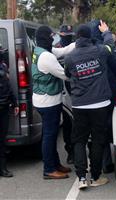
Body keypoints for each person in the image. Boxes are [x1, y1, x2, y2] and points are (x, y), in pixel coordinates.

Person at [64, 22, 114, 189]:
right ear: (90, 37)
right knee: (98, 141)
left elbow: (67, 74)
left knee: (79, 140)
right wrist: (106, 32)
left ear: (77, 38)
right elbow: (110, 45)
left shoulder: (70, 57)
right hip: (100, 103)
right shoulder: (100, 51)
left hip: (80, 105)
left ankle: (81, 178)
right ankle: (95, 176)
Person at [32, 26, 75, 179]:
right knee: (50, 137)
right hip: (48, 102)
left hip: (42, 100)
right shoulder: (46, 57)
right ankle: (49, 169)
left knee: (50, 135)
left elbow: (63, 51)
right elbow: (65, 75)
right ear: (45, 37)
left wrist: (80, 42)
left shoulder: (40, 50)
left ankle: (55, 164)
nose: (53, 38)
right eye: (51, 35)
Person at [87, 19, 116, 174]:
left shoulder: (82, 51)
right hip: (108, 94)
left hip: (89, 97)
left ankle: (104, 162)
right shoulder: (104, 50)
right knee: (110, 126)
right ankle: (112, 162)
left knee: (97, 129)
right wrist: (107, 32)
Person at [56, 24, 75, 164]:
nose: (67, 38)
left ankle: (77, 149)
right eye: (65, 36)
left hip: (76, 91)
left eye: (69, 36)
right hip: (62, 92)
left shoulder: (75, 48)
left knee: (77, 124)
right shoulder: (55, 49)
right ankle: (71, 152)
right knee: (68, 125)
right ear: (60, 35)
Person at [0, 47, 19, 178]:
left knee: (2, 140)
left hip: (4, 107)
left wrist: (14, 102)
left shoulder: (3, 66)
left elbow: (8, 86)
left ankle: (2, 168)